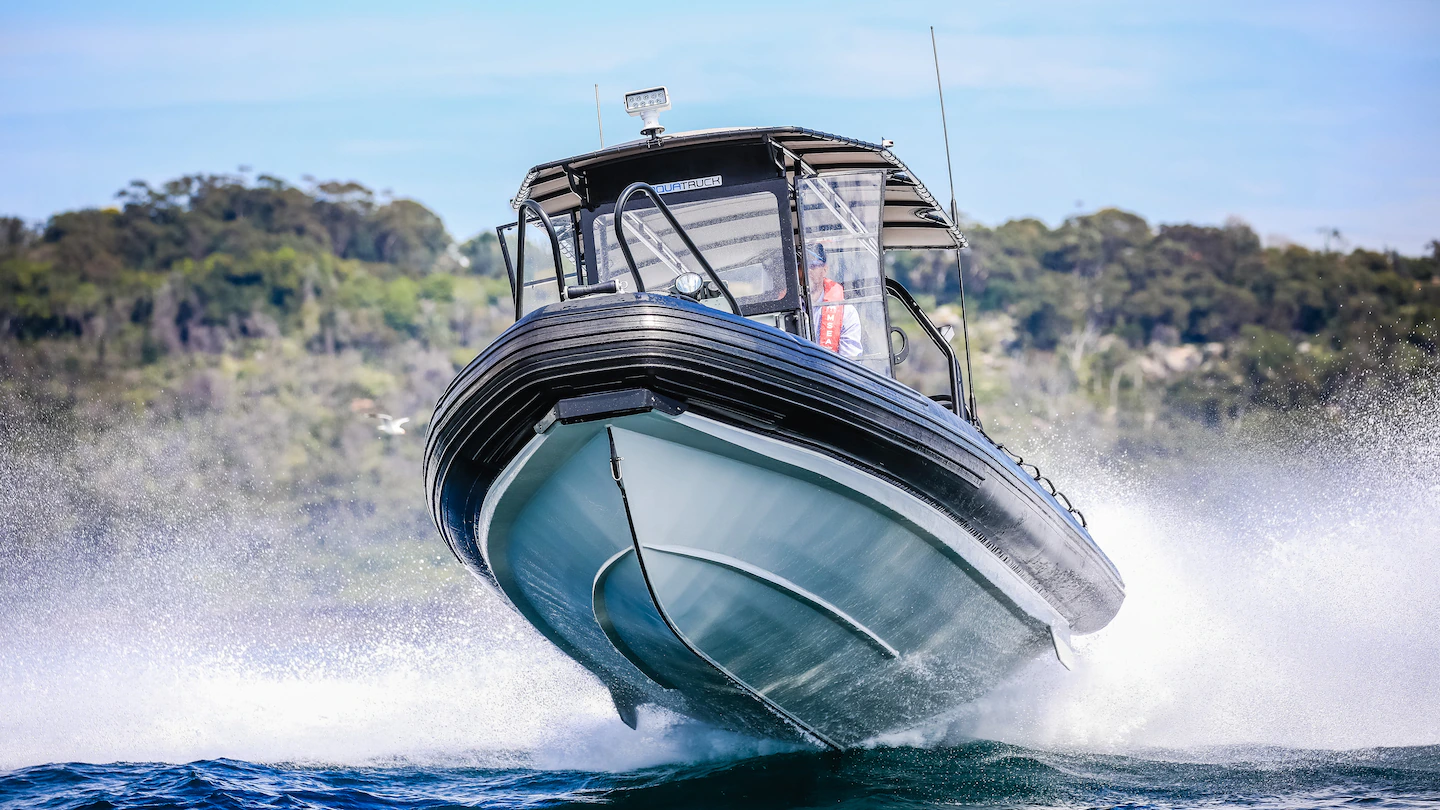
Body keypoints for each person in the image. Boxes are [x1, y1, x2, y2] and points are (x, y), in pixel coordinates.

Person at [806, 244, 863, 360]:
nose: (807, 270)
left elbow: (851, 362)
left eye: (812, 265)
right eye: (801, 265)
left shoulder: (846, 312)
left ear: (824, 270)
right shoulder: (786, 307)